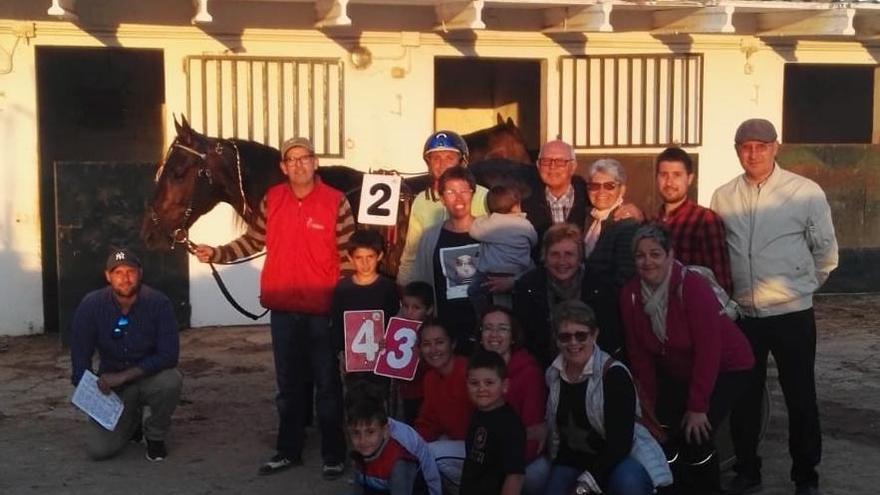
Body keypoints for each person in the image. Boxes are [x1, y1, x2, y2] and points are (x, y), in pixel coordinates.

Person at [193, 137, 354, 479]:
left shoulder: (335, 202)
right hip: (283, 310)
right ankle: (288, 451)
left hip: (321, 310)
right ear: (283, 167)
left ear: (315, 162)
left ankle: (334, 454)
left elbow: (347, 258)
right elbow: (252, 241)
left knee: (327, 385)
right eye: (291, 160)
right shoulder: (272, 200)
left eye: (305, 158)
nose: (298, 165)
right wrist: (217, 253)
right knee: (289, 387)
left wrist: (344, 305)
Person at [711, 119, 838, 495]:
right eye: (746, 146)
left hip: (792, 315)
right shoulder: (724, 196)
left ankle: (805, 475)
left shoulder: (805, 192)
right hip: (745, 315)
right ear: (736, 150)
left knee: (800, 396)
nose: (753, 153)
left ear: (776, 147)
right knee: (744, 396)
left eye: (761, 146)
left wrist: (801, 288)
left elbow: (826, 253)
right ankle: (748, 470)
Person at [620, 223, 755, 493]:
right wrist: (650, 405)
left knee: (696, 434)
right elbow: (640, 354)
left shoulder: (691, 286)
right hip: (679, 366)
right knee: (664, 430)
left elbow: (709, 350)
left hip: (727, 365)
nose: (648, 261)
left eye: (655, 254)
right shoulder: (631, 294)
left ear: (670, 255)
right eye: (640, 255)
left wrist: (697, 406)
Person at [543, 300, 672, 495]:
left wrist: (585, 485)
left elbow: (620, 444)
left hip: (619, 458)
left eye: (581, 335)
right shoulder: (553, 374)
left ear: (594, 334)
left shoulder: (614, 374)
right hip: (572, 460)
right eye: (565, 337)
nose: (573, 343)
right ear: (557, 339)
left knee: (628, 484)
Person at [70, 248, 182, 462]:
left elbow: (169, 355)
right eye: (118, 272)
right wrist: (87, 391)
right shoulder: (91, 304)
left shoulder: (158, 303)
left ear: (140, 273)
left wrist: (124, 376)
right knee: (99, 450)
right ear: (108, 276)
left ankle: (155, 435)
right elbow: (79, 353)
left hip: (148, 377)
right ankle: (131, 423)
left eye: (130, 271)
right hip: (113, 387)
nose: (125, 278)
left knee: (171, 380)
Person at [397, 131, 488, 287]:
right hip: (436, 287)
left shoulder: (484, 196)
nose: (442, 164)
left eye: (449, 158)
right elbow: (412, 253)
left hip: (478, 285)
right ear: (429, 163)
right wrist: (404, 285)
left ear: (462, 162)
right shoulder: (421, 201)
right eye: (436, 158)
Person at [407, 166, 481, 352]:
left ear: (472, 194)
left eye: (464, 191)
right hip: (444, 337)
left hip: (483, 331)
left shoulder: (489, 232)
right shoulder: (430, 238)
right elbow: (420, 287)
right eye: (451, 192)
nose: (459, 198)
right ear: (441, 198)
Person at [479, 306, 548, 494]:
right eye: (487, 328)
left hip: (523, 459)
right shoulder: (476, 369)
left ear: (513, 337)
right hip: (487, 453)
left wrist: (502, 467)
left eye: (502, 328)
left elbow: (534, 436)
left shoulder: (529, 373)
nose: (494, 334)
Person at [581, 158, 640, 358]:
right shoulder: (587, 218)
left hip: (610, 319)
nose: (601, 192)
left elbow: (624, 278)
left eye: (609, 186)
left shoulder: (627, 224)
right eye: (594, 186)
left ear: (621, 190)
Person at [654, 146, 733, 294]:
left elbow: (720, 283)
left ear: (689, 179)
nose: (669, 182)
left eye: (677, 175)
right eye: (664, 175)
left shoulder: (705, 220)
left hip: (692, 311)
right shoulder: (653, 223)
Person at [331, 229, 400, 393]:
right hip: (353, 362)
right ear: (350, 258)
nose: (365, 263)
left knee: (380, 399)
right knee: (355, 401)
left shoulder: (388, 287)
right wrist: (340, 353)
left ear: (380, 256)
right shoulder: (342, 289)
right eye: (359, 258)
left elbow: (395, 320)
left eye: (370, 257)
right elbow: (337, 324)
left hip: (381, 360)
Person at [345, 382, 442, 495]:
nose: (363, 440)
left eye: (370, 432)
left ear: (385, 430)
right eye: (356, 433)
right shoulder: (366, 438)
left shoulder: (399, 452)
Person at [513, 223, 585, 368]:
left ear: (579, 258)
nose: (562, 262)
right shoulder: (527, 287)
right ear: (544, 257)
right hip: (542, 368)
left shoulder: (598, 287)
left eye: (569, 254)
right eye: (555, 254)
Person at [414, 319, 473, 488]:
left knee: (431, 453)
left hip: (484, 450)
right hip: (459, 447)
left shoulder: (469, 371)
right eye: (426, 344)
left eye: (440, 342)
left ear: (452, 344)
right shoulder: (430, 378)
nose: (433, 350)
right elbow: (427, 423)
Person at [459, 349, 526, 495]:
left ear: (505, 385)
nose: (481, 388)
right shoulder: (476, 414)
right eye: (474, 383)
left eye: (489, 382)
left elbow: (515, 476)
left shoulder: (510, 425)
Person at [468, 185, 537, 315]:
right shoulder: (525, 224)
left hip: (491, 272)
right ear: (516, 206)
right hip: (519, 270)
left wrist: (481, 219)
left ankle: (482, 316)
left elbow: (474, 232)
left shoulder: (490, 223)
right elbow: (534, 240)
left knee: (474, 291)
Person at [397, 281, 435, 425]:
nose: (409, 312)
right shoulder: (398, 330)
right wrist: (386, 348)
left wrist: (423, 355)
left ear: (429, 309)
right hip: (407, 393)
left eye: (416, 308)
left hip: (426, 393)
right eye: (405, 306)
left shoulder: (433, 332)